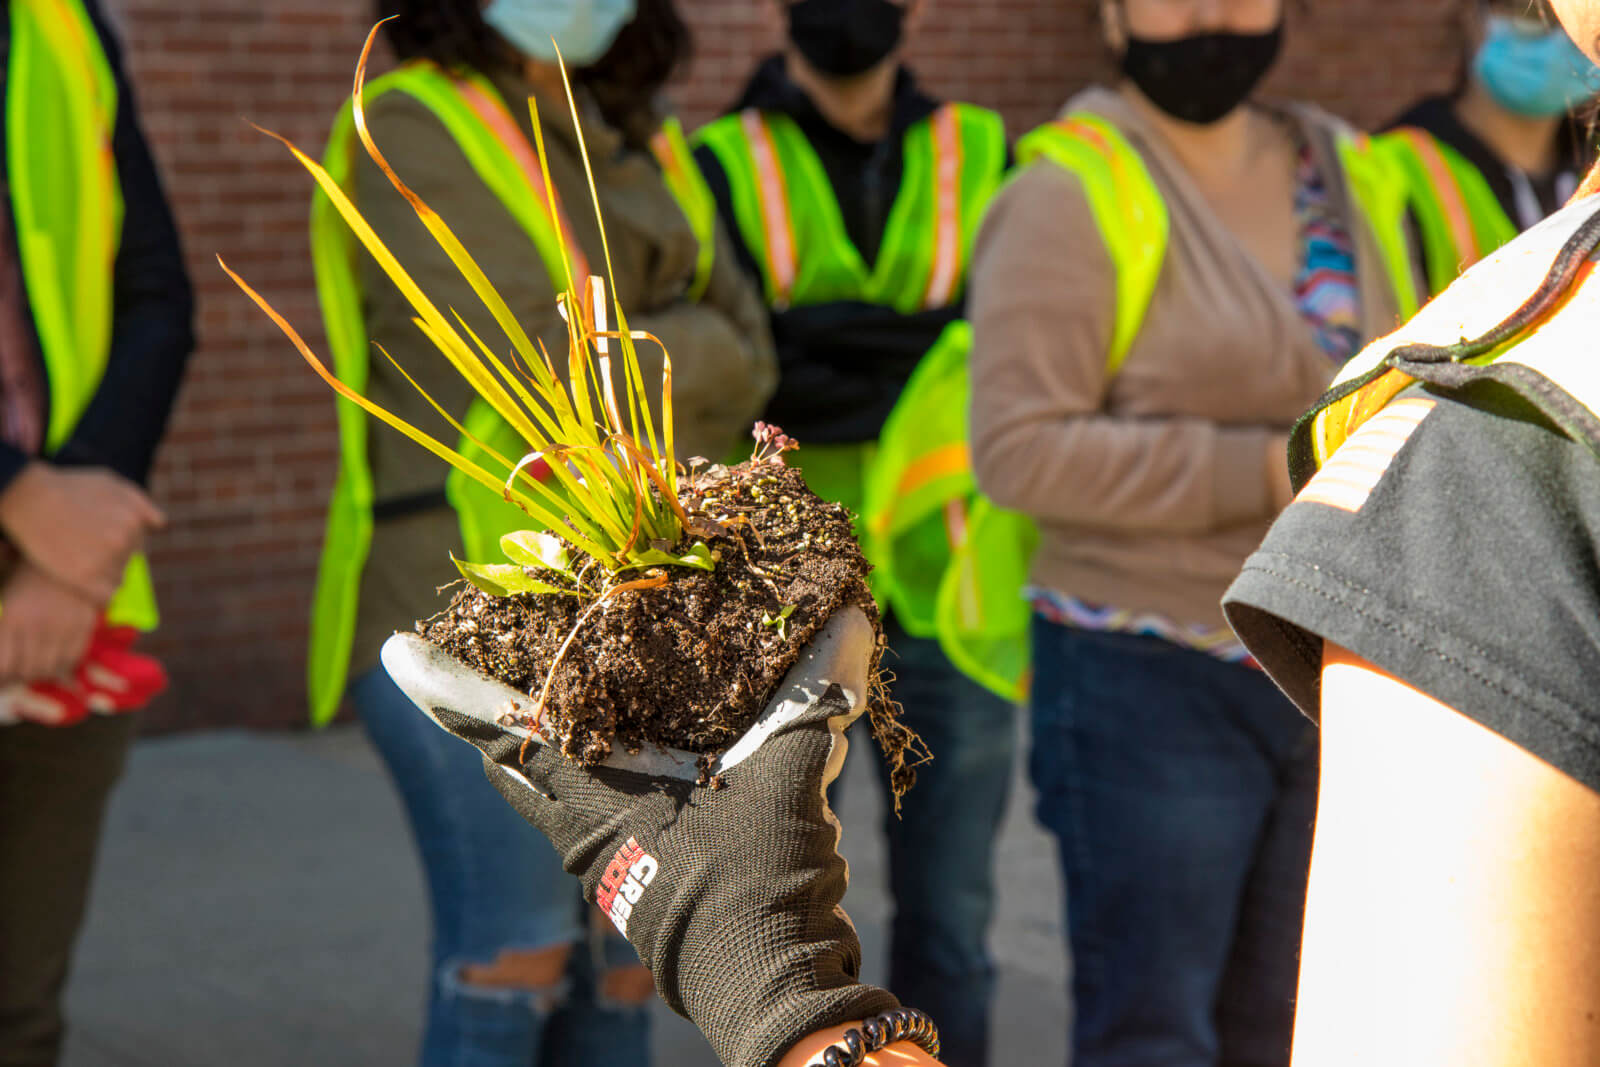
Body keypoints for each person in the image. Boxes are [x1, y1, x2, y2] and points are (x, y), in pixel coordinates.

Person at [305, 1, 776, 1064]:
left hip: (638, 617)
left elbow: (747, 343)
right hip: (464, 611)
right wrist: (700, 349)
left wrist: (663, 346)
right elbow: (544, 364)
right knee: (510, 956)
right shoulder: (413, 119)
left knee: (624, 960)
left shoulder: (639, 124)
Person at [960, 0, 1420, 1063]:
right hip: (1146, 670)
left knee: (1294, 1023)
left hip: (1327, 655)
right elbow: (1020, 451)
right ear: (1111, 18)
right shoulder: (1063, 190)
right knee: (1153, 1030)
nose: (1211, 11)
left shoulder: (1348, 167)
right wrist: (1264, 466)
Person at [690, 5, 1012, 1062]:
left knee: (952, 918)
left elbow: (999, 347)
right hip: (777, 600)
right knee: (770, 923)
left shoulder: (984, 148)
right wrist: (916, 349)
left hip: (943, 585)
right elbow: (742, 367)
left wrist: (821, 344)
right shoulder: (717, 159)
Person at [0, 0, 195, 1062]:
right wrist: (19, 494)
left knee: (20, 1014)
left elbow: (158, 297)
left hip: (64, 581)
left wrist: (67, 548)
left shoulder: (58, 23)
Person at [1382, 0, 1598, 297]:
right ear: (1473, 17)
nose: (1558, 35)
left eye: (1570, 19)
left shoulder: (1589, 168)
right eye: (1530, 15)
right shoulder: (1391, 168)